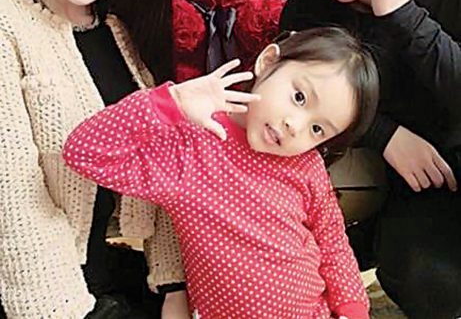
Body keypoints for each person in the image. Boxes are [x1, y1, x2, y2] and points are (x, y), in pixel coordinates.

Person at [63, 27, 379, 319]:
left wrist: (352, 309)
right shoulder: (192, 142)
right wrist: (170, 103)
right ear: (268, 62)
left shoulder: (306, 164)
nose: (294, 126)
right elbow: (84, 152)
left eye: (317, 129)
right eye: (299, 97)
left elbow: (331, 239)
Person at [0, 0, 189, 319]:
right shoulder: (6, 24)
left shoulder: (121, 32)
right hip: (41, 296)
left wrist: (175, 286)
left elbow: (161, 169)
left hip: (121, 282)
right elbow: (15, 201)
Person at [277, 0, 461, 319]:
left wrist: (403, 13)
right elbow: (294, 100)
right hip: (419, 185)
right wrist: (385, 134)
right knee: (422, 277)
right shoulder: (307, 12)